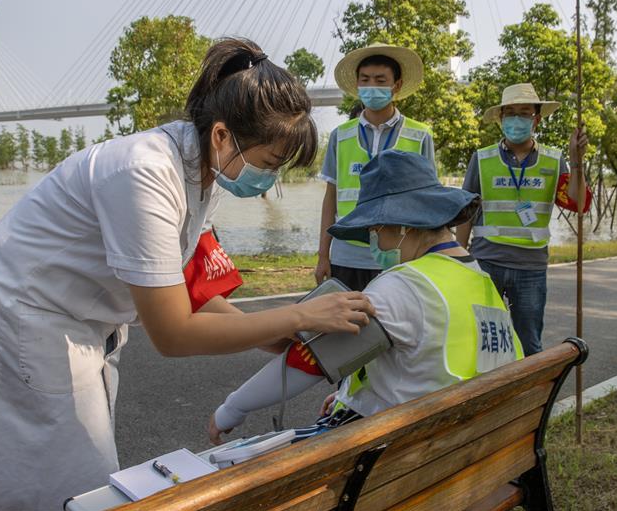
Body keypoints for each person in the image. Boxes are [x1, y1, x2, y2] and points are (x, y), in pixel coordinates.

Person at [0, 38, 375, 511]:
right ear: (222, 135)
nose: (269, 179)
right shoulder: (144, 171)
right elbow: (173, 332)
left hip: (75, 315)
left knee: (64, 470)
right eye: (268, 164)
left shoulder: (205, 168)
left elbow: (190, 290)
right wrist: (294, 314)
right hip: (26, 313)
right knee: (65, 477)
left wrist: (271, 330)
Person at [209, 151, 523, 445]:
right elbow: (427, 364)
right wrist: (354, 394)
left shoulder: (405, 286)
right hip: (465, 440)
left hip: (398, 453)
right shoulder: (480, 279)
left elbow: (306, 364)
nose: (372, 240)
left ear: (401, 224)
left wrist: (231, 409)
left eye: (374, 228)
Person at [456, 83, 590, 356]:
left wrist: (577, 160)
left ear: (536, 119)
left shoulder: (555, 160)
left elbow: (577, 202)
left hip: (531, 266)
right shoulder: (481, 158)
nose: (517, 119)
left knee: (529, 343)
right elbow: (465, 213)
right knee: (481, 340)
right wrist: (460, 259)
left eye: (524, 113)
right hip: (486, 261)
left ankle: (530, 396)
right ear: (501, 119)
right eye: (510, 113)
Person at [315, 43, 436, 291]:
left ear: (397, 85)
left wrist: (429, 254)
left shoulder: (420, 135)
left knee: (393, 328)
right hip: (347, 256)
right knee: (349, 325)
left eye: (381, 80)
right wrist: (323, 255)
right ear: (357, 85)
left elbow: (429, 200)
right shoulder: (341, 135)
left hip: (401, 255)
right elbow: (331, 198)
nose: (372, 87)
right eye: (365, 80)